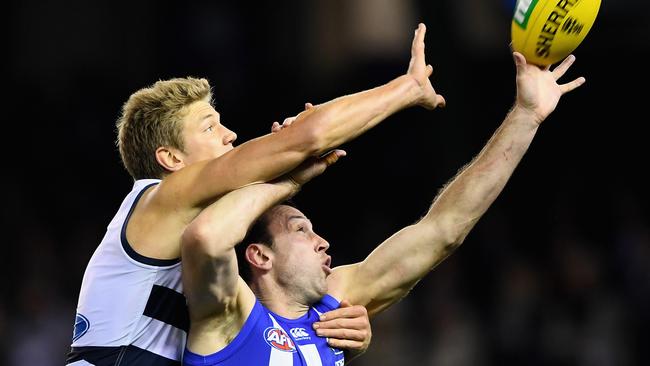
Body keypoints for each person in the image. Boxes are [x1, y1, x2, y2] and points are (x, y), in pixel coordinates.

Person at [66, 22, 445, 365]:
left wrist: (349, 330)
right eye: (210, 127)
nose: (230, 135)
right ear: (170, 158)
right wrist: (406, 89)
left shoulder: (211, 239)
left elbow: (272, 322)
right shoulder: (163, 196)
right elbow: (310, 137)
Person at [179, 49, 586, 365]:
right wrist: (287, 177)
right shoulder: (228, 314)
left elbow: (443, 229)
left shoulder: (331, 311)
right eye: (300, 229)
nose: (322, 242)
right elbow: (206, 235)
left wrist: (526, 116)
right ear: (259, 255)